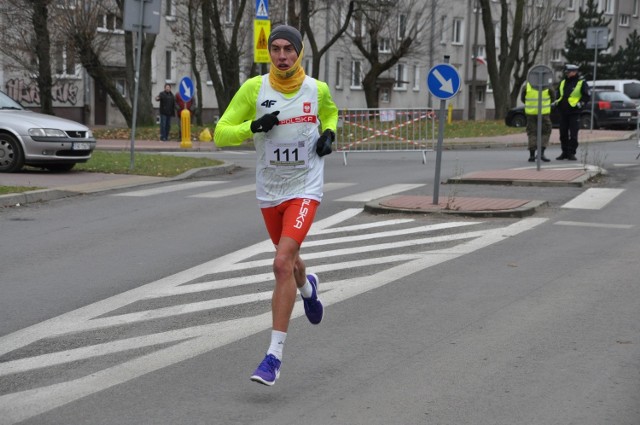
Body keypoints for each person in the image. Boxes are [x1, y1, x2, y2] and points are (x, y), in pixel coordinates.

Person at [213, 25, 338, 387]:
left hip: (305, 188)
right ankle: (308, 288)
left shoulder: (317, 89)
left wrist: (329, 135)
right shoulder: (255, 89)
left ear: (300, 53)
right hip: (270, 192)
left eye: (289, 49)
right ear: (270, 52)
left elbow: (329, 114)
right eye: (276, 49)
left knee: (281, 262)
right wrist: (252, 126)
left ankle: (273, 357)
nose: (282, 55)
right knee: (291, 263)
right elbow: (221, 133)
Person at [555, 64, 590, 160]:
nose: (567, 74)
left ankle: (571, 153)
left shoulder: (581, 83)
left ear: (574, 72)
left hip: (574, 112)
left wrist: (580, 104)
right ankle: (564, 152)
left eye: (569, 72)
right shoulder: (563, 82)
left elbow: (586, 96)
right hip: (563, 112)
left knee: (573, 135)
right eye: (566, 72)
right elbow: (558, 94)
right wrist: (557, 103)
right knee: (563, 134)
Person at [521, 81, 555, 162]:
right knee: (545, 132)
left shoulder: (527, 86)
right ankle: (541, 153)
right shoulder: (547, 86)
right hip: (543, 113)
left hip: (531, 113)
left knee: (532, 133)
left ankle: (532, 155)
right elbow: (553, 98)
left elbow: (523, 99)